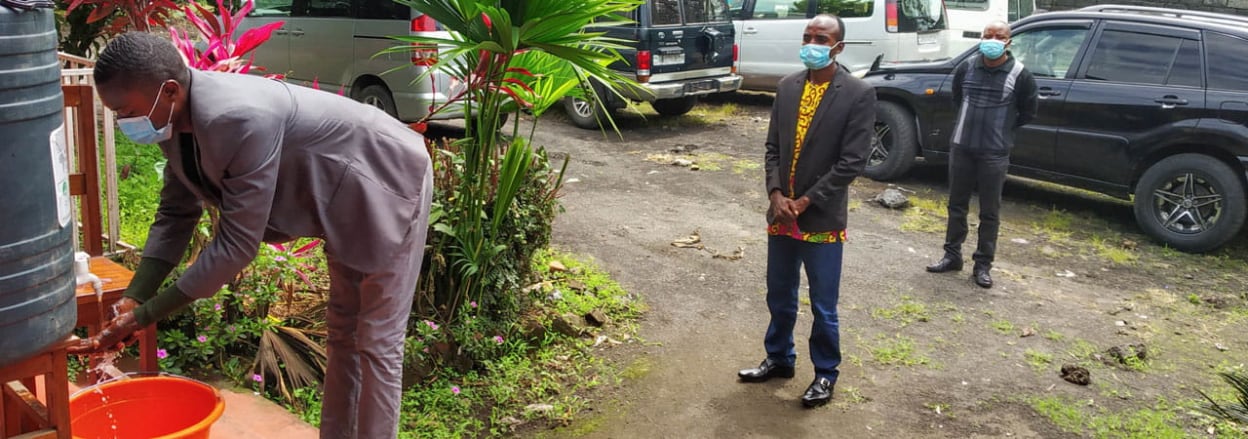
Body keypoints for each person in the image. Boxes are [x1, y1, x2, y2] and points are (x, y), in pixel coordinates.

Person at [67, 32, 432, 439]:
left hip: (384, 174)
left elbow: (237, 245)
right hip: (337, 193)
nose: (122, 123)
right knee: (344, 330)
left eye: (125, 111)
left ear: (168, 90)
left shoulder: (238, 116)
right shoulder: (174, 119)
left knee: (377, 338)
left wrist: (147, 315)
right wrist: (133, 298)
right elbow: (175, 212)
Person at [737, 14, 875, 408]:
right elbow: (773, 149)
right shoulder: (787, 86)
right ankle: (779, 358)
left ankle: (825, 374)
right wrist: (776, 193)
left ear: (838, 47)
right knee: (779, 293)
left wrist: (805, 201)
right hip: (781, 215)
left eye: (822, 37)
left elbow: (852, 162)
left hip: (820, 218)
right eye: (808, 36)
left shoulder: (857, 93)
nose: (813, 42)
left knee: (822, 305)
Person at [926, 20, 1038, 289]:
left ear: (1008, 42)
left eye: (999, 36)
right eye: (988, 35)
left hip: (994, 152)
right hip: (962, 147)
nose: (992, 39)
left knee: (990, 211)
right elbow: (957, 99)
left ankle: (983, 265)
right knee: (956, 205)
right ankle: (952, 256)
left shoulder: (1020, 74)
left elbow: (1027, 112)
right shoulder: (967, 67)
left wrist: (1000, 132)